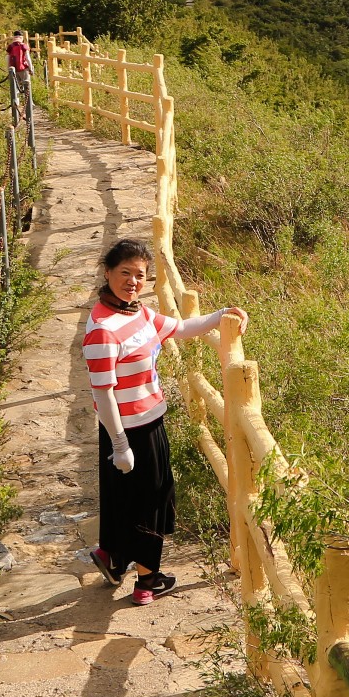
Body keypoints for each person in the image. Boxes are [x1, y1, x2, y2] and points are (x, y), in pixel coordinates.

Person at [83, 237, 247, 604]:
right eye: (124, 273)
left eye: (139, 275)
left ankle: (112, 556)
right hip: (127, 429)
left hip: (146, 422)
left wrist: (222, 315)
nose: (132, 281)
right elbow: (102, 393)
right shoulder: (102, 330)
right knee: (152, 499)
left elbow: (180, 328)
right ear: (107, 273)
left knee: (122, 495)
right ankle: (148, 581)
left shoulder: (135, 312)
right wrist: (121, 444)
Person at [5, 30, 32, 105]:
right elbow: (27, 57)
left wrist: (8, 69)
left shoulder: (10, 46)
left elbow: (7, 57)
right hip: (23, 68)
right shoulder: (23, 45)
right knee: (26, 85)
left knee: (15, 86)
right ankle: (29, 103)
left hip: (13, 69)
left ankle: (16, 101)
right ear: (22, 37)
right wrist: (31, 68)